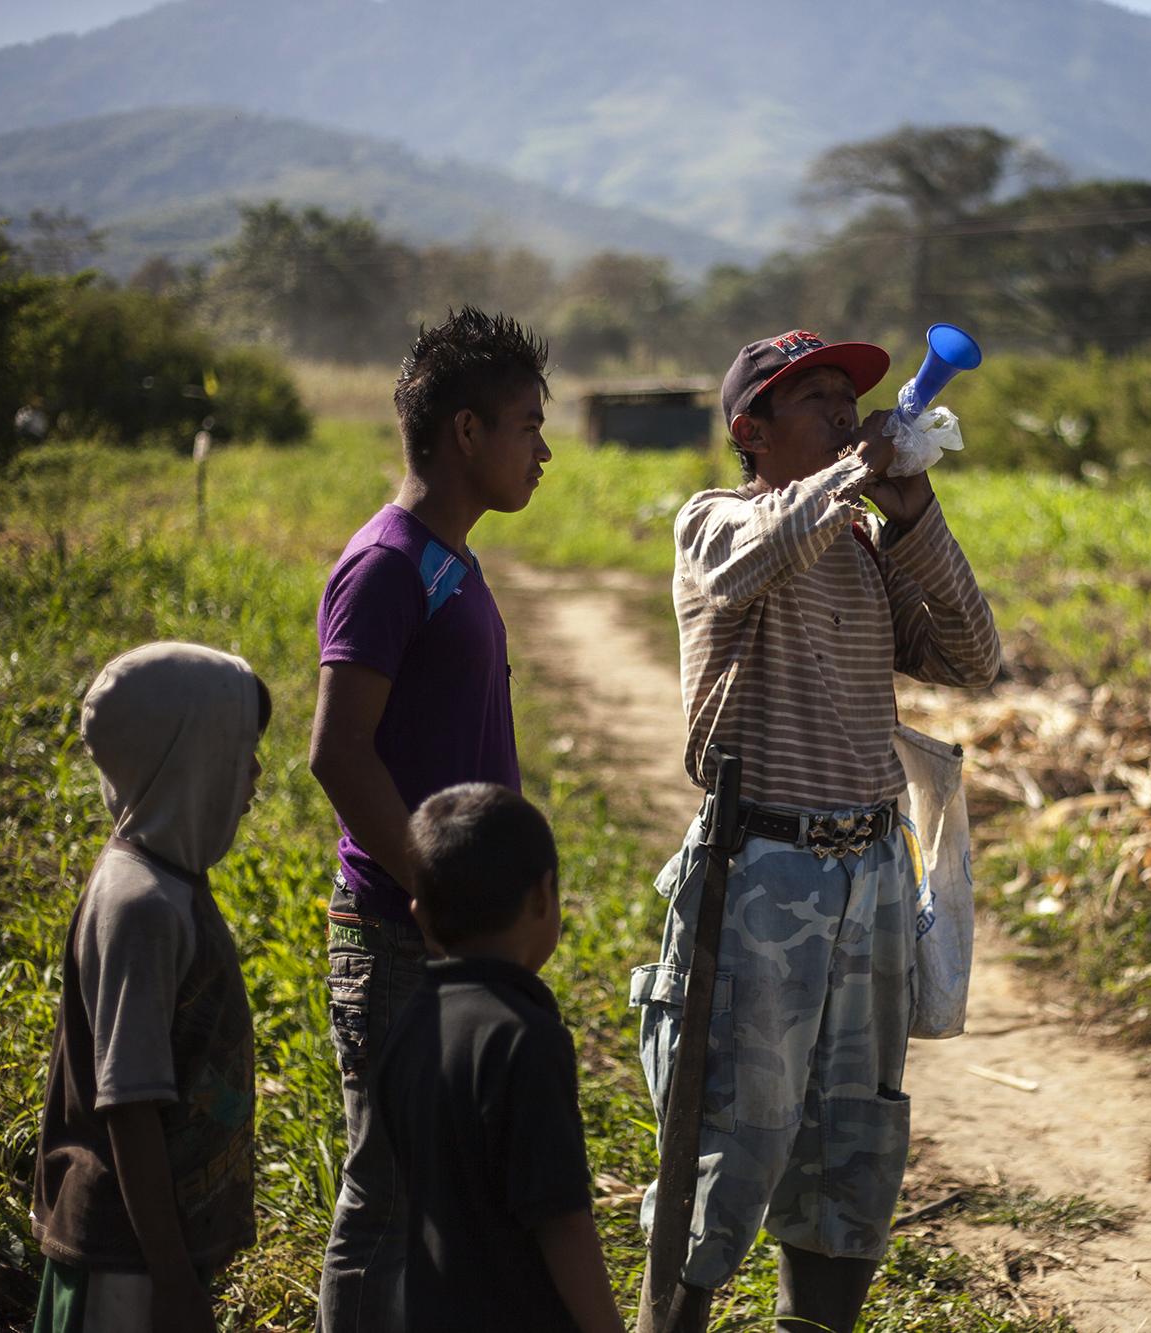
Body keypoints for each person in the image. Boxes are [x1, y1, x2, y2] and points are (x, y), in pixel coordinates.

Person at [632, 329, 1002, 1332]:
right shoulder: (714, 520)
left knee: (852, 1134)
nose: (848, 411)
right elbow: (746, 565)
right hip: (763, 870)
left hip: (870, 870)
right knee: (726, 1137)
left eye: (853, 398)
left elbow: (973, 653)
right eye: (818, 397)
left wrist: (912, 507)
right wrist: (853, 472)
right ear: (749, 430)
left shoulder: (858, 542)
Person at [309, 307, 551, 1331]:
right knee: (385, 1195)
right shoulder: (387, 563)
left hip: (450, 935)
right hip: (405, 935)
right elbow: (337, 750)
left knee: (442, 1199)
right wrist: (430, 887)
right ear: (464, 433)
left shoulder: (453, 558)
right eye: (526, 426)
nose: (542, 451)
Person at [30, 641, 270, 1333]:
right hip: (128, 1262)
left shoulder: (167, 880)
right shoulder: (141, 906)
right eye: (239, 747)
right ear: (186, 758)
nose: (255, 769)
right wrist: (170, 1278)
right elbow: (130, 1105)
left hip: (151, 1249)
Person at [376, 784, 626, 1333]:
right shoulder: (524, 1038)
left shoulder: (409, 1026)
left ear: (419, 912)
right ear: (543, 896)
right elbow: (561, 1219)